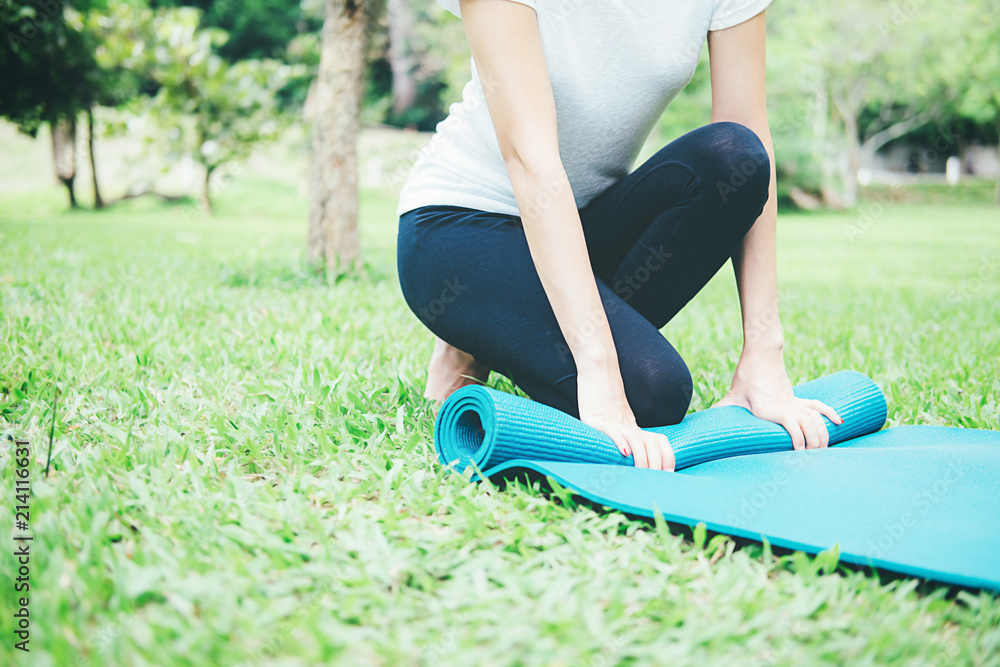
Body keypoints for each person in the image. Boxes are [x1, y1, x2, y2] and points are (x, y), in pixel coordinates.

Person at [395, 0, 843, 472]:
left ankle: (490, 332)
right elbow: (531, 161)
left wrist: (764, 354)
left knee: (735, 155)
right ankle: (478, 325)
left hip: (582, 230)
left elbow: (752, 134)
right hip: (462, 228)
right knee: (651, 391)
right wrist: (598, 368)